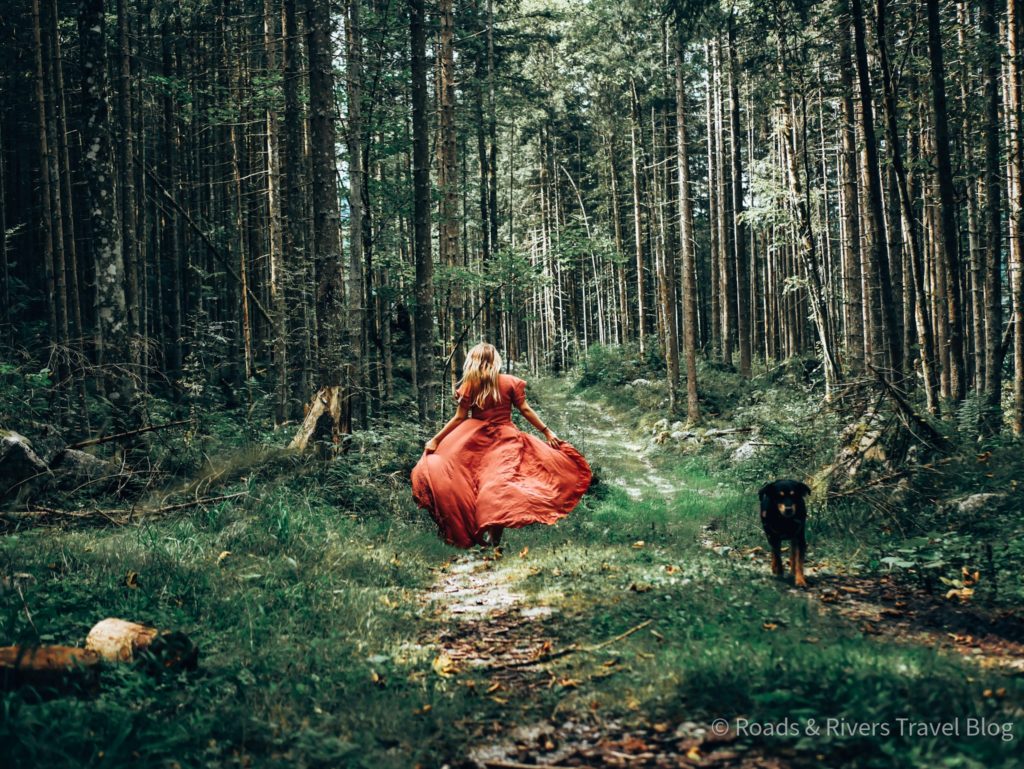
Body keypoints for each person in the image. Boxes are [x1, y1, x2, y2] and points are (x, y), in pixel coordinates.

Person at [411, 342, 592, 549]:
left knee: (468, 483)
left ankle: (483, 535)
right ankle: (493, 539)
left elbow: (459, 418)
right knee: (497, 487)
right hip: (504, 440)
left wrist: (437, 439)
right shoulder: (509, 382)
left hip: (472, 440)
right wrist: (546, 431)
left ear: (474, 361)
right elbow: (525, 410)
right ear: (495, 360)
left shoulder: (470, 384)